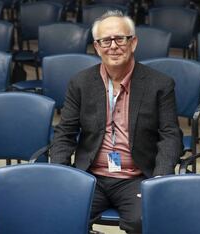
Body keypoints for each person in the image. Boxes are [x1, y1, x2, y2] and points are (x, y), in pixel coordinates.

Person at [50, 10, 183, 234]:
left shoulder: (159, 84)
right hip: (91, 175)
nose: (113, 46)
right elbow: (65, 132)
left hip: (136, 177)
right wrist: (61, 174)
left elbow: (170, 135)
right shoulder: (81, 82)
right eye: (105, 41)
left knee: (146, 220)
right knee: (60, 213)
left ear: (133, 43)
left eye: (120, 38)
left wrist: (159, 180)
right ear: (97, 46)